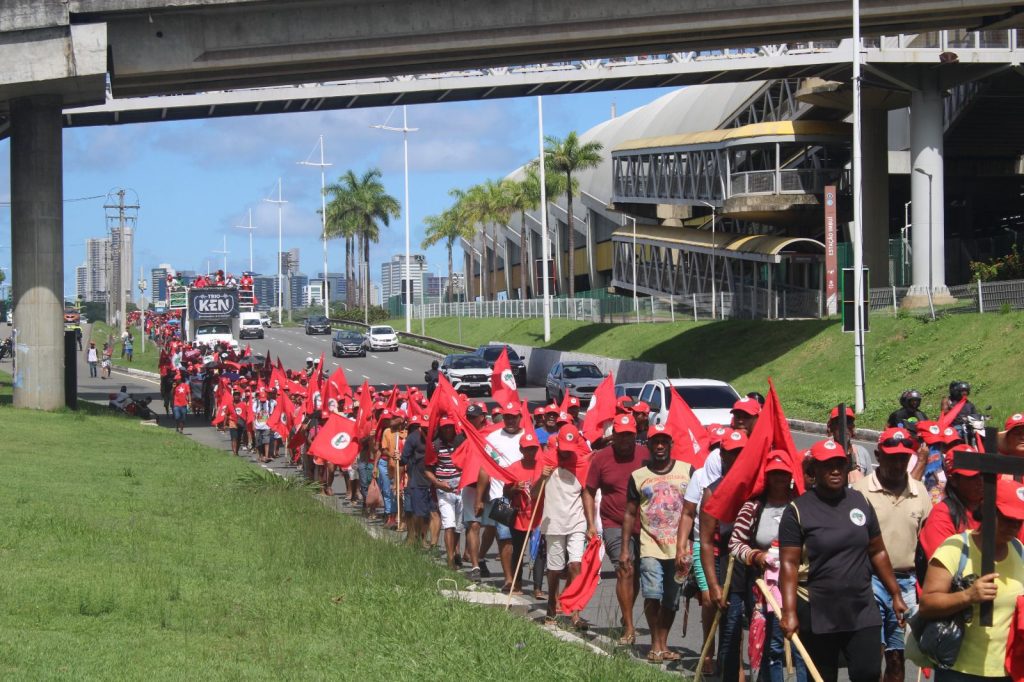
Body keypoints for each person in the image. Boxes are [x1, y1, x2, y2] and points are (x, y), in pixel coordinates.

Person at [779, 438, 908, 682]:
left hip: (861, 607)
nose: (836, 470)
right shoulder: (797, 510)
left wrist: (895, 594)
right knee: (822, 676)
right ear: (813, 470)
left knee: (868, 672)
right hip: (818, 610)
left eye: (840, 463)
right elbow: (789, 565)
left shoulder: (860, 501)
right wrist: (789, 611)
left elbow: (877, 551)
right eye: (828, 465)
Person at [918, 478, 1024, 681]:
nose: (1013, 526)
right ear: (986, 509)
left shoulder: (1019, 550)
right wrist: (968, 596)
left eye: (1019, 520)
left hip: (1007, 671)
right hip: (960, 670)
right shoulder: (956, 548)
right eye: (1007, 517)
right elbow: (927, 604)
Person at [853, 428, 935, 682]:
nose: (898, 464)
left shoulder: (919, 491)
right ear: (879, 455)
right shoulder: (859, 491)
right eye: (891, 457)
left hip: (907, 582)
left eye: (903, 457)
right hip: (868, 581)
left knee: (897, 657)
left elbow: (928, 540)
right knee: (870, 655)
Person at [728, 453, 805, 682]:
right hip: (764, 587)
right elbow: (735, 543)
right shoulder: (753, 507)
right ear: (767, 477)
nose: (779, 478)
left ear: (791, 475)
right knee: (771, 643)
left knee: (800, 644)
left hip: (799, 584)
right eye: (774, 474)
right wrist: (755, 555)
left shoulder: (802, 504)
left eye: (783, 473)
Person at [621, 423, 690, 663]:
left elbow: (695, 510)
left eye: (664, 441)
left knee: (671, 599)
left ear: (671, 444)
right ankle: (654, 644)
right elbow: (630, 514)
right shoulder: (638, 476)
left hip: (679, 549)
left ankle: (663, 643)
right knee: (652, 595)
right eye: (655, 442)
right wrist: (624, 550)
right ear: (648, 445)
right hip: (650, 545)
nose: (660, 446)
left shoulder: (687, 470)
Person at [583, 413, 649, 645]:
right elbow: (589, 491)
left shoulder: (645, 455)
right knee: (625, 569)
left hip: (644, 524)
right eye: (620, 436)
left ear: (634, 435)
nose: (625, 441)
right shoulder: (601, 458)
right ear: (613, 437)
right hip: (614, 523)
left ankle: (626, 614)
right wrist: (591, 524)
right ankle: (629, 627)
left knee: (638, 574)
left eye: (629, 436)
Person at [539, 423, 590, 627]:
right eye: (564, 450)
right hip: (553, 520)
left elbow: (587, 493)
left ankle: (575, 612)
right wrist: (541, 478)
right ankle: (552, 603)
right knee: (554, 569)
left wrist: (591, 524)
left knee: (576, 564)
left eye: (571, 450)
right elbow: (534, 494)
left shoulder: (582, 463)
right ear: (558, 443)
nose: (567, 454)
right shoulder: (546, 459)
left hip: (577, 520)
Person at [477, 401, 524, 589]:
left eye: (514, 416)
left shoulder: (528, 437)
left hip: (524, 497)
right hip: (500, 496)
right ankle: (509, 579)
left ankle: (518, 576)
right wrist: (480, 499)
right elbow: (484, 469)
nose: (510, 420)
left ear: (520, 417)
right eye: (507, 417)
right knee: (505, 536)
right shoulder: (493, 438)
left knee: (520, 538)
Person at [917, 445, 984, 571]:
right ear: (953, 480)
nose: (980, 480)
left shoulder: (996, 510)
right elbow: (942, 567)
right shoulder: (942, 515)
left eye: (982, 474)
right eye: (972, 476)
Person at [503, 432, 546, 598]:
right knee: (518, 551)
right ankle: (517, 582)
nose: (530, 452)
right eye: (527, 449)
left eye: (533, 449)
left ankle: (538, 588)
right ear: (521, 449)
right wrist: (515, 488)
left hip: (538, 516)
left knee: (538, 551)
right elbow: (505, 492)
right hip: (519, 517)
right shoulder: (513, 467)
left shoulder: (542, 466)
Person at [427, 417, 465, 570]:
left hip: (461, 488)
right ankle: (450, 559)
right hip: (443, 488)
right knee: (448, 524)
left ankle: (456, 553)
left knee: (458, 526)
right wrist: (437, 482)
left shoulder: (461, 442)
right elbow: (427, 468)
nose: (447, 430)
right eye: (444, 428)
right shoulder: (435, 446)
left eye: (450, 427)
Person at [400, 416, 430, 548]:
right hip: (415, 479)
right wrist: (398, 481)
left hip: (433, 479)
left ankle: (424, 538)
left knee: (428, 512)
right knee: (414, 510)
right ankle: (413, 536)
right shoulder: (412, 438)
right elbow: (403, 460)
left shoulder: (435, 435)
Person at [827, 404, 874, 482]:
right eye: (839, 423)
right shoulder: (825, 452)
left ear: (853, 428)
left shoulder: (862, 452)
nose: (844, 428)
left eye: (848, 423)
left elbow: (869, 482)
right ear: (831, 427)